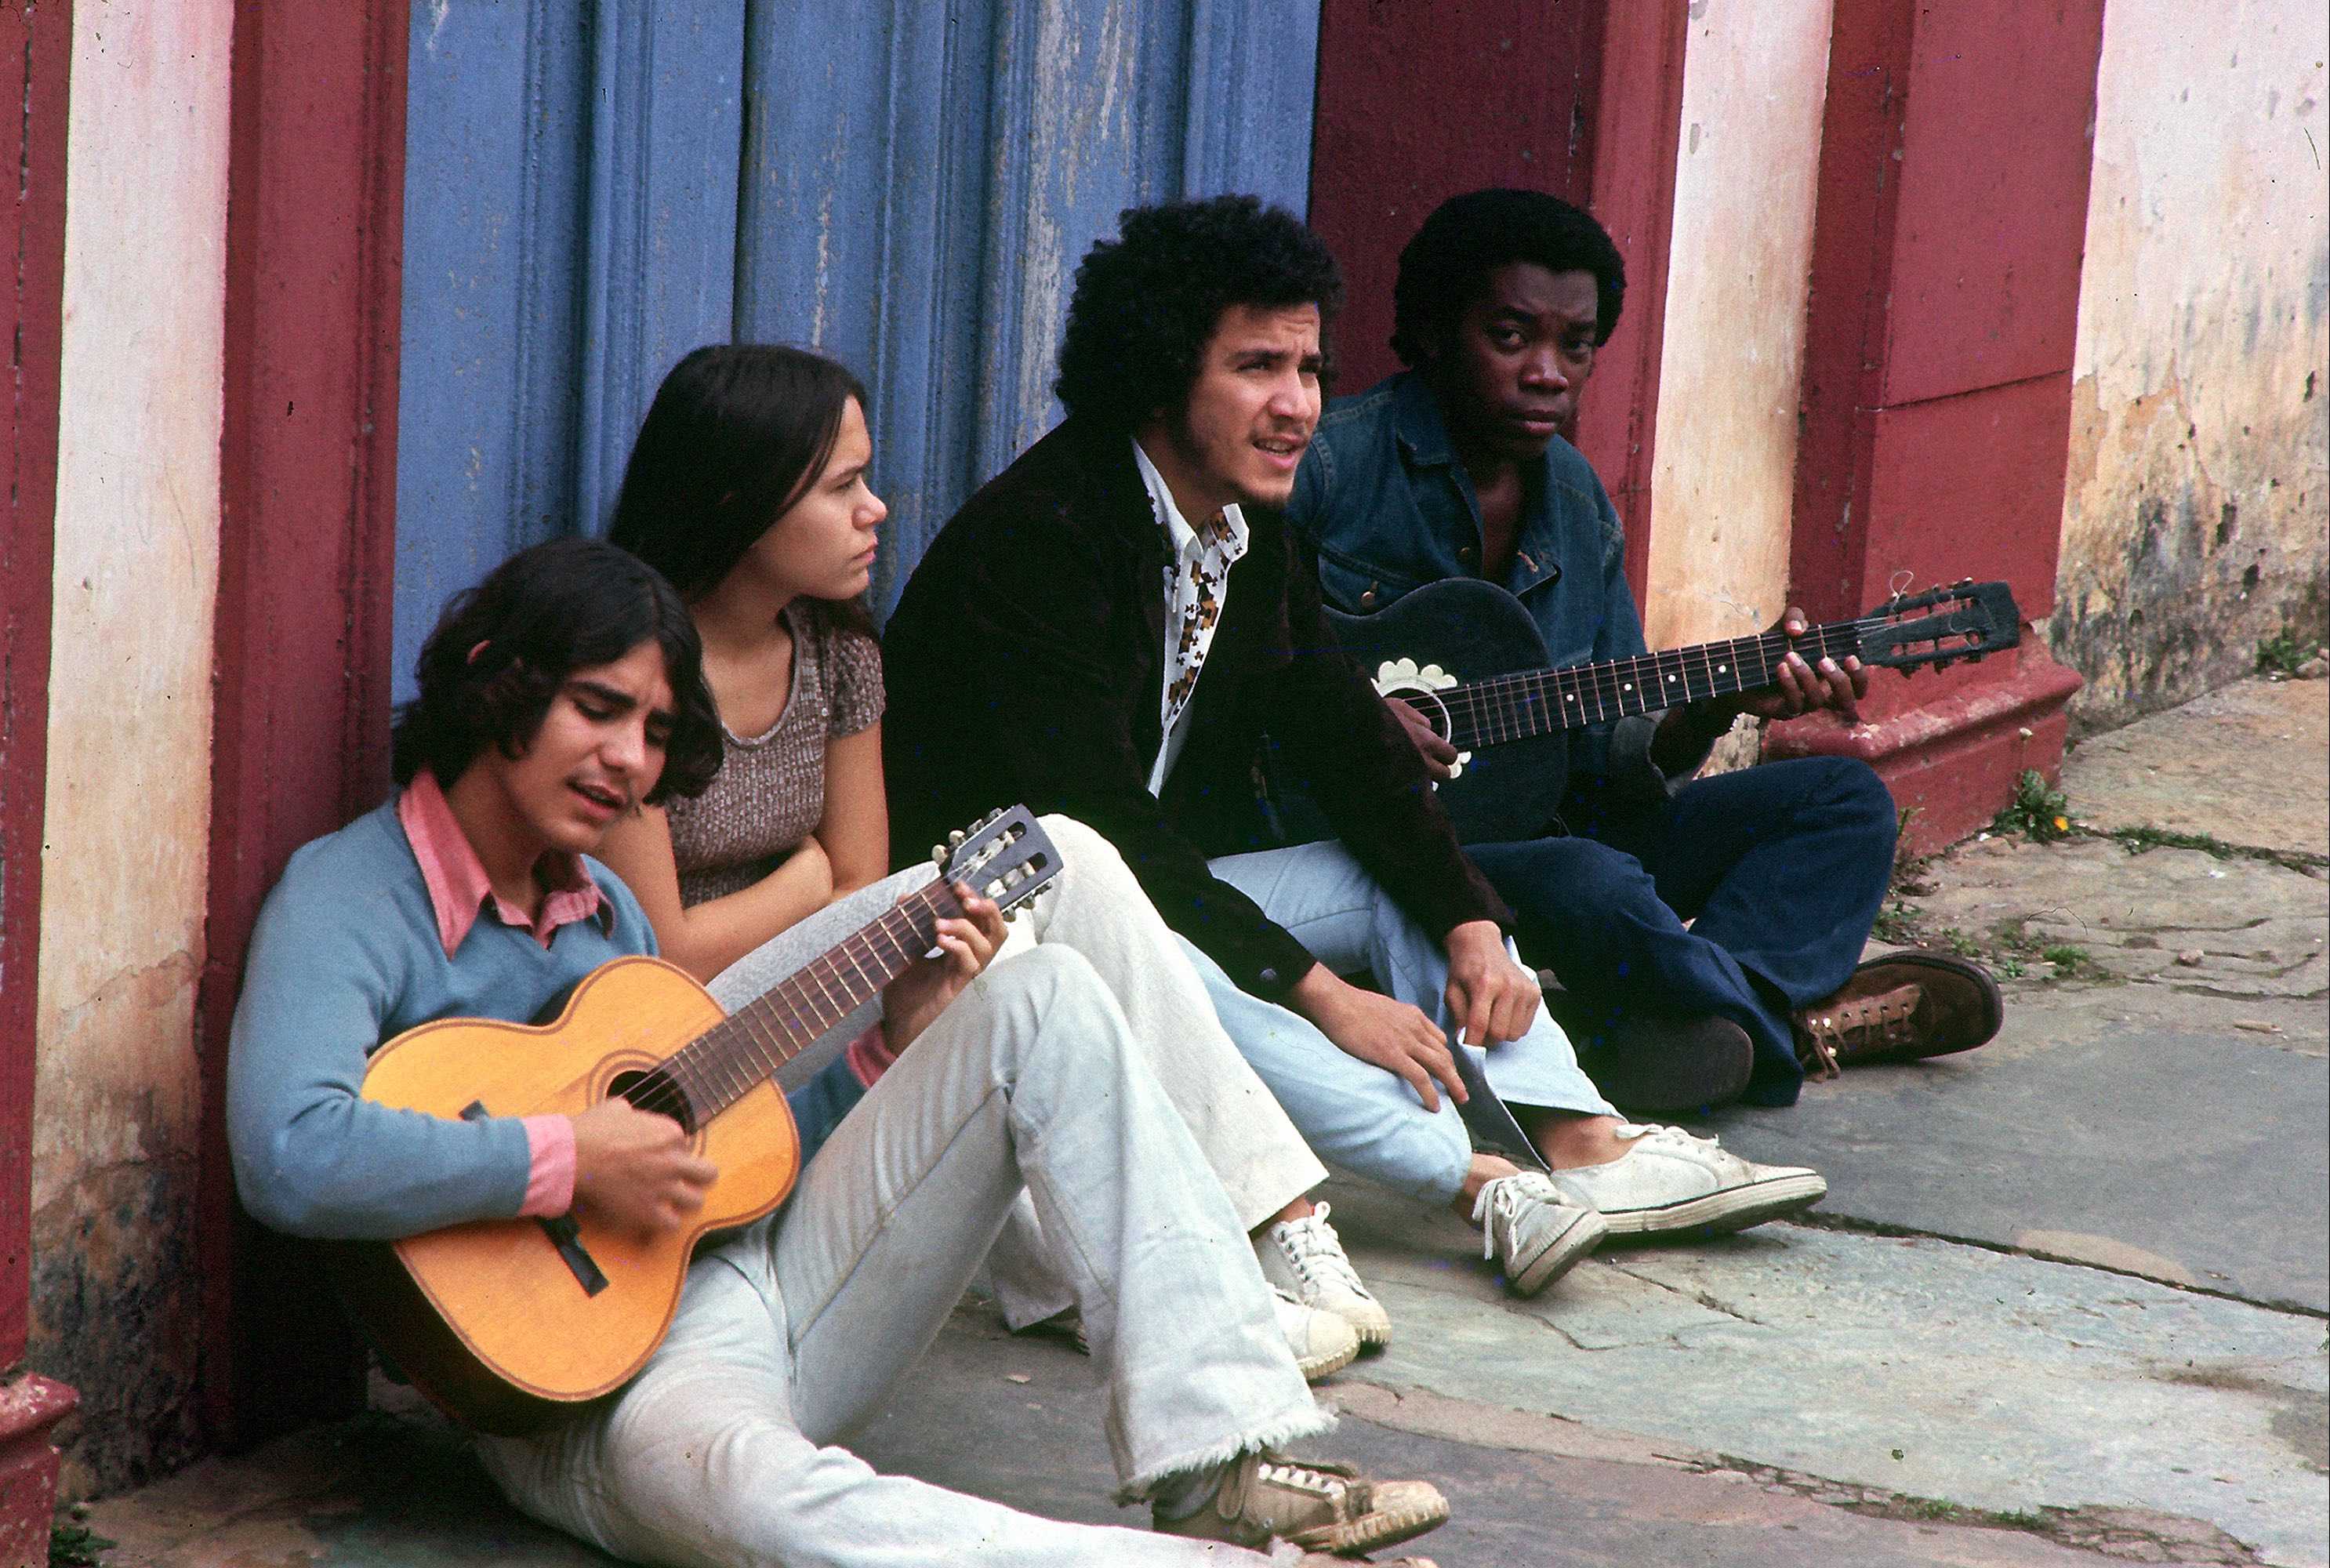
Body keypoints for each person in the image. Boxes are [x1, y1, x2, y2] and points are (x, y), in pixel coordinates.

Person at [226, 537, 1447, 1567]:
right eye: (598, 709)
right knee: (763, 1504)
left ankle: (1224, 1463)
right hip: (585, 1399)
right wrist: (566, 1158)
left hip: (751, 1285)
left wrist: (893, 1048)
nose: (629, 762)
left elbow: (724, 1166)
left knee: (1044, 998)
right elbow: (289, 1151)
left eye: (655, 732)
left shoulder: (608, 910)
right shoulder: (351, 897)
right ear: (496, 679)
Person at [884, 195, 1825, 1303]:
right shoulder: (1042, 538)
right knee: (1177, 969)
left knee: (1388, 878)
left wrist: (1469, 922)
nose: (1297, 406)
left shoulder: (1246, 524)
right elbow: (1104, 831)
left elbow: (1344, 734)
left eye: (1309, 369)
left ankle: (1581, 1143)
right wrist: (1324, 993)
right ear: (1157, 373)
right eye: (1256, 368)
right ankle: (1471, 1181)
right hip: (994, 926)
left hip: (1153, 882)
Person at [593, 344, 1384, 1370]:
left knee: (1053, 869)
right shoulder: (635, 673)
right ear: (741, 497)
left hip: (817, 985)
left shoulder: (838, 653)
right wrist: (805, 878)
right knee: (996, 937)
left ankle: (1260, 1221)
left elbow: (862, 879)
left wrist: (831, 884)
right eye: (842, 487)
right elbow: (665, 952)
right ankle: (1143, 1291)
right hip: (686, 1041)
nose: (876, 509)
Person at [1286, 187, 2003, 1112]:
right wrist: (1347, 716)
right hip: (1376, 854)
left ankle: (1700, 1025)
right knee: (1591, 877)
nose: (1547, 373)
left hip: (1535, 833)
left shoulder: (1575, 505)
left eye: (1575, 346)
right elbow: (1224, 654)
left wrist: (1715, 703)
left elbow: (1606, 755)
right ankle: (1778, 1027)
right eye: (1510, 337)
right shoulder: (1330, 466)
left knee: (1841, 799)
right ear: (1431, 330)